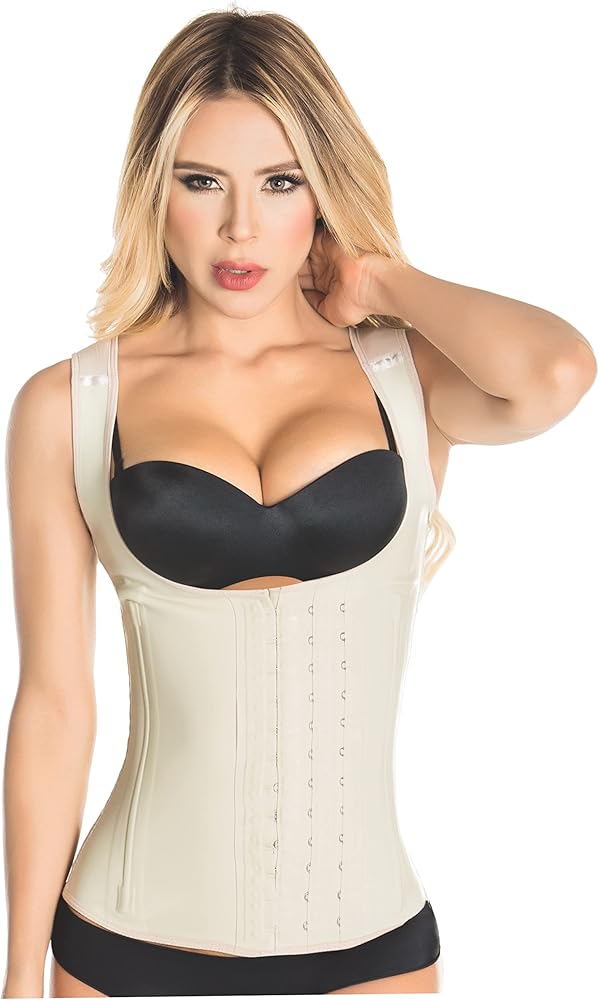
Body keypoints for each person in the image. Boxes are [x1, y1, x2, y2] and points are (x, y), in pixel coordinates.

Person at [2, 6, 595, 998]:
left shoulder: (402, 377)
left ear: (322, 188)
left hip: (371, 950)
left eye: (280, 182)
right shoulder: (71, 404)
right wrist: (21, 971)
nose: (240, 228)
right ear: (153, 188)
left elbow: (555, 371)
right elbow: (55, 704)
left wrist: (378, 278)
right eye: (202, 181)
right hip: (124, 950)